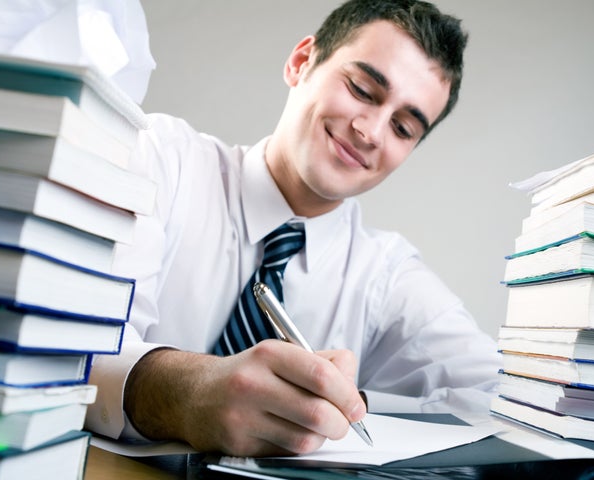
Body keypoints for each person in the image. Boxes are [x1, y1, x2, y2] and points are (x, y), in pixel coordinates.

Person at [86, 0, 501, 457]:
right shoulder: (161, 160)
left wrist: (356, 404)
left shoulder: (388, 275)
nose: (371, 132)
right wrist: (186, 393)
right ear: (302, 62)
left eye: (402, 128)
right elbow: (68, 343)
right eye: (362, 89)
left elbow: (501, 395)